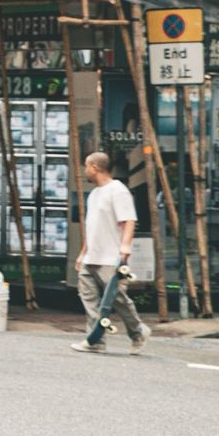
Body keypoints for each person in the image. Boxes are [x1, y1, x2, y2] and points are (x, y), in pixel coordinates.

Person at [71, 150, 151, 355]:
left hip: (110, 257)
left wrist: (125, 247)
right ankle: (95, 340)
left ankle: (138, 331)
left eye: (87, 166)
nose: (85, 171)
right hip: (92, 256)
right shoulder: (95, 194)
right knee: (89, 298)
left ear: (95, 167)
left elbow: (129, 220)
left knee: (117, 298)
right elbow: (92, 227)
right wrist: (82, 253)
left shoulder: (118, 190)